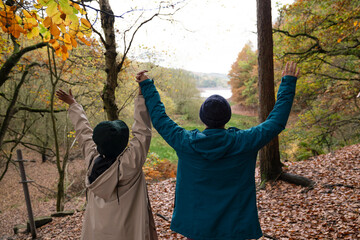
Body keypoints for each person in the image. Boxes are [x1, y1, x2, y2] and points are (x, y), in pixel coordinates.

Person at [136, 62, 300, 240]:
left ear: (202, 117)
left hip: (196, 227)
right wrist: (288, 83)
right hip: (234, 227)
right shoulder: (245, 142)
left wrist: (147, 85)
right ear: (227, 116)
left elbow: (160, 119)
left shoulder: (185, 142)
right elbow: (276, 122)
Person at [56, 87, 158, 240]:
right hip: (127, 233)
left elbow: (83, 132)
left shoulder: (92, 159)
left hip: (99, 232)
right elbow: (142, 132)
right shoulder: (129, 164)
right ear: (123, 143)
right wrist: (141, 95)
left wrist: (73, 104)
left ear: (98, 143)